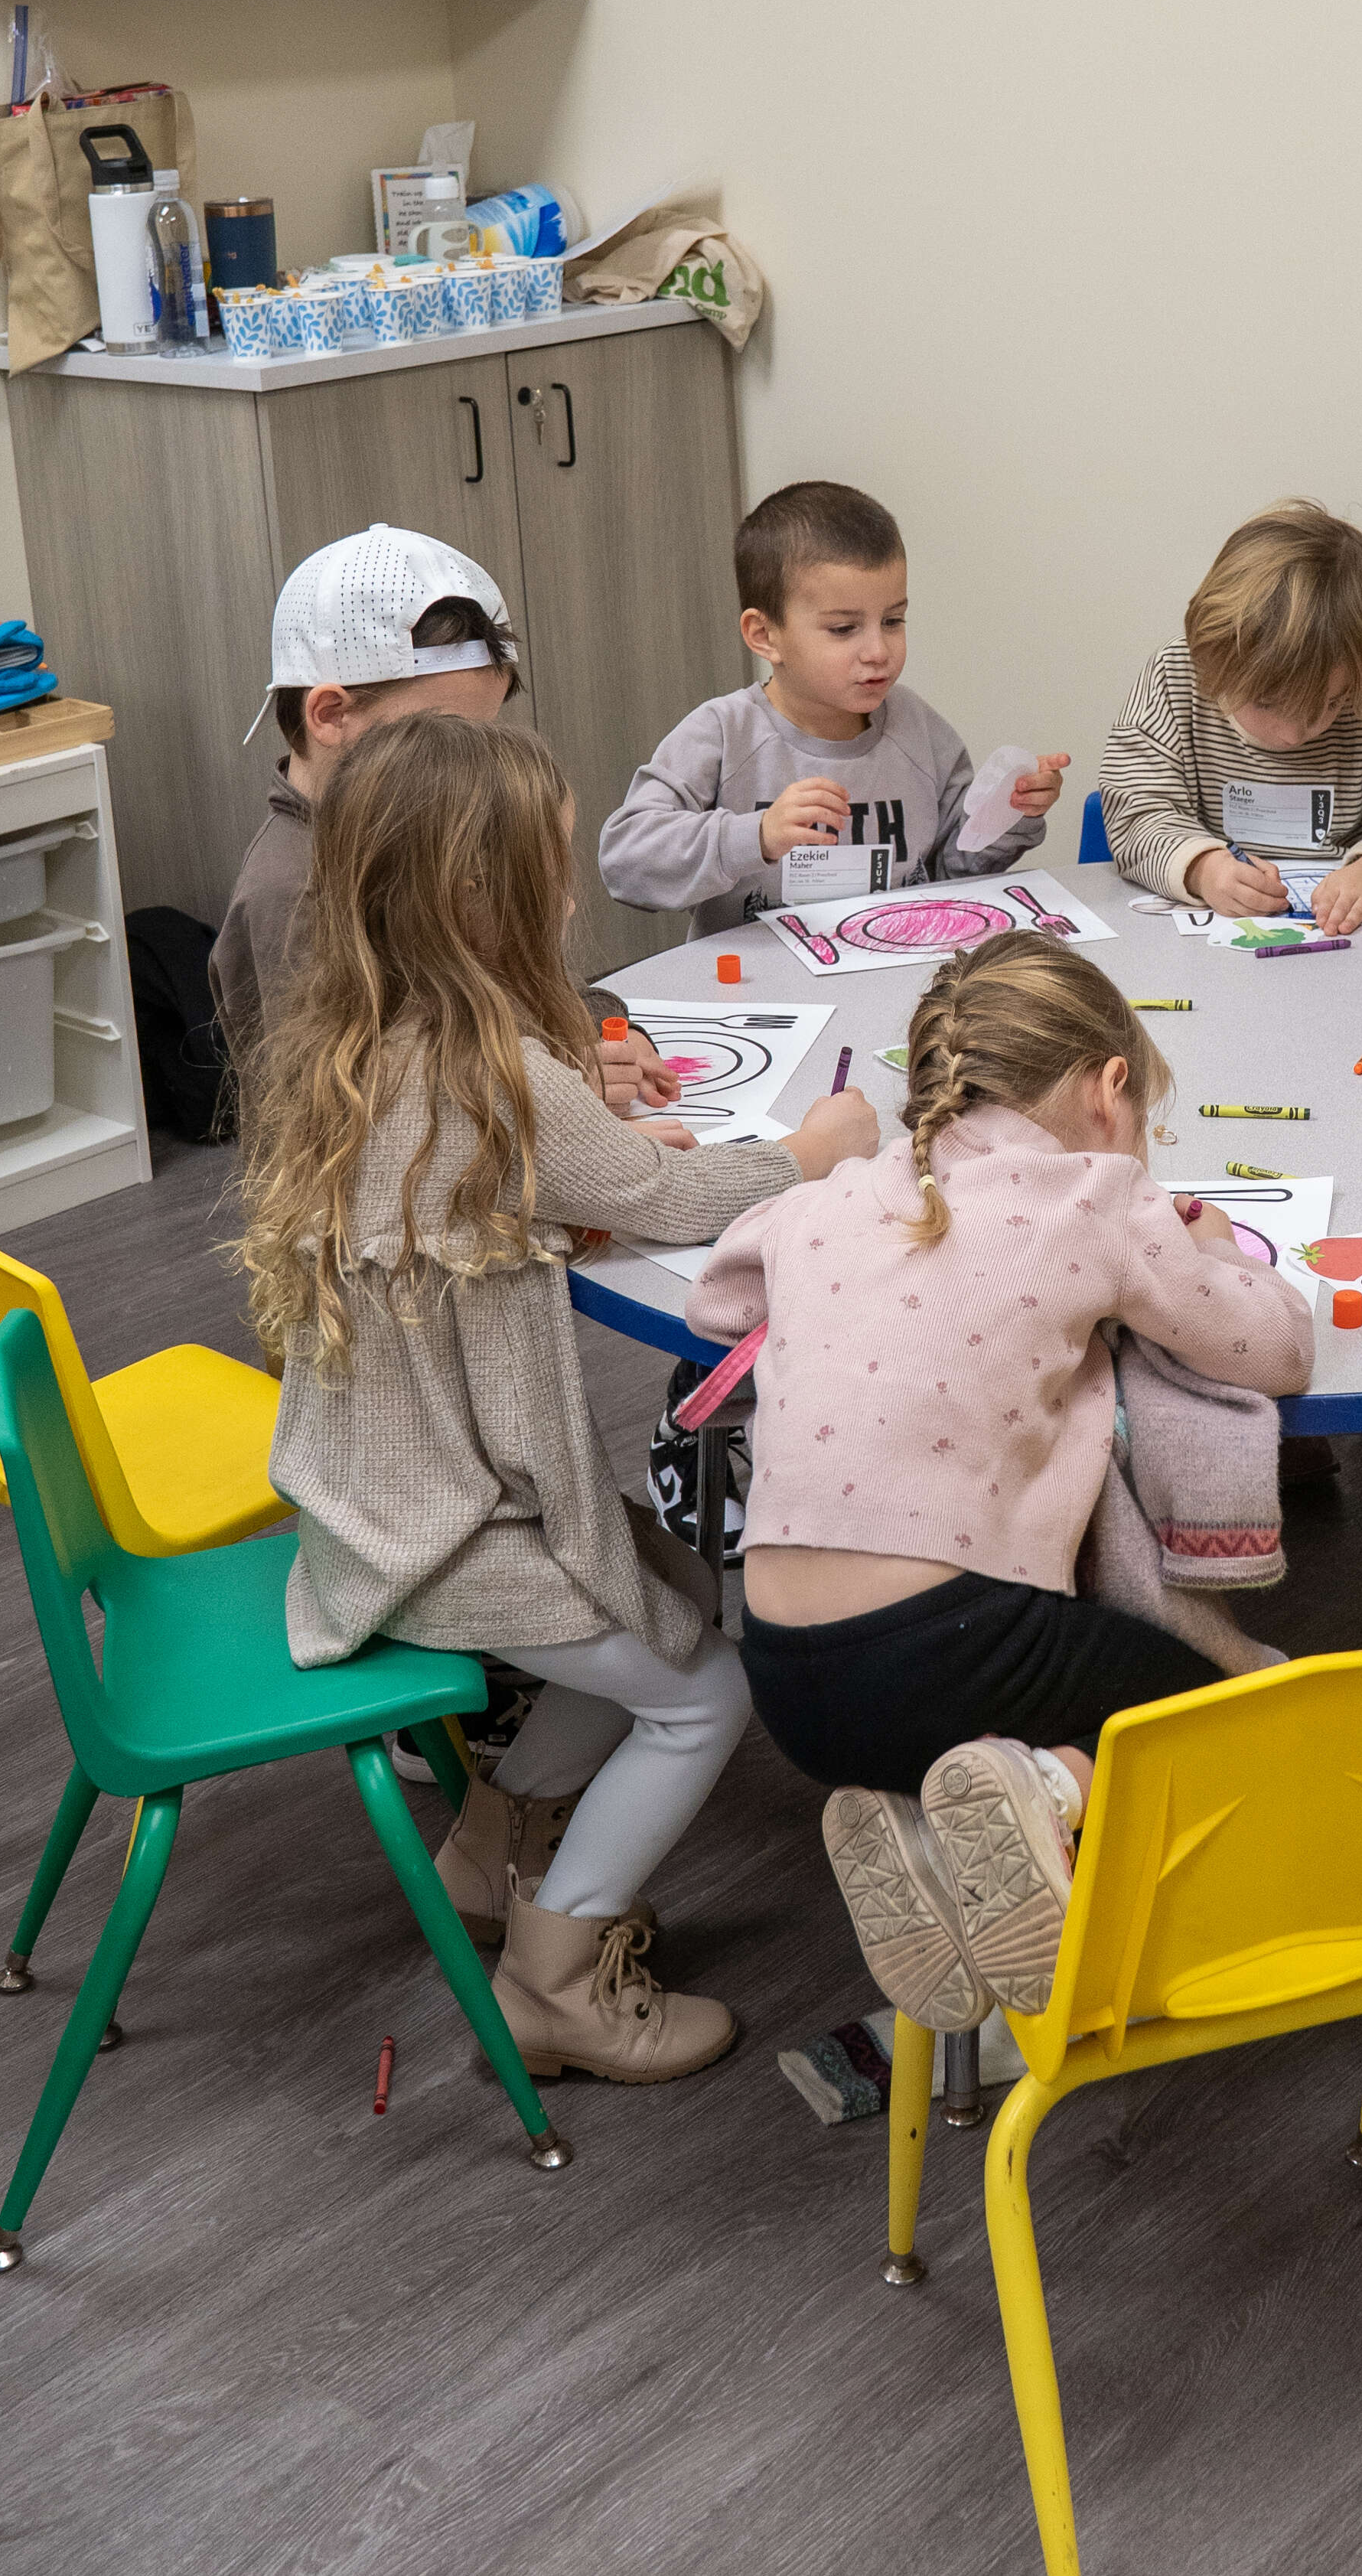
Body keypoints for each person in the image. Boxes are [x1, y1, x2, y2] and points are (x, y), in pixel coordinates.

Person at [235, 709, 877, 2083]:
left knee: (675, 1583)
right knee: (707, 1690)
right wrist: (812, 1152)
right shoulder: (503, 1079)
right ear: (477, 898)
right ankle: (555, 1977)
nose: (571, 900)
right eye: (550, 874)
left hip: (371, 1504)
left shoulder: (364, 1039)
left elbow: (526, 1185)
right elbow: (666, 1193)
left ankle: (494, 1846)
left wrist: (580, 1165)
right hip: (449, 1535)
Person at [683, 941, 1315, 2025]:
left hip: (783, 1677)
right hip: (950, 1649)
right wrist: (1217, 1250)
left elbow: (719, 1307)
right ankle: (1046, 1789)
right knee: (1225, 1722)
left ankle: (933, 1839)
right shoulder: (1097, 1198)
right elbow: (1276, 1349)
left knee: (1020, 1695)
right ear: (1108, 1088)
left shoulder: (837, 1195)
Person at [598, 478, 1068, 926]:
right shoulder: (722, 733)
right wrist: (756, 835)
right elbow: (626, 863)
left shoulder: (919, 730)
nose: (878, 651)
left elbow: (952, 876)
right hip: (759, 978)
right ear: (764, 635)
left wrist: (1006, 815)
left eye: (893, 621)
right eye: (844, 629)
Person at [210, 522, 526, 1075]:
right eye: (444, 737)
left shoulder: (434, 816)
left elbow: (526, 973)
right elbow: (336, 1108)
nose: (473, 768)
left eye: (484, 736)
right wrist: (541, 1078)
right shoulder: (291, 894)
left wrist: (602, 1024)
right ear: (331, 715)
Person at [1096, 499, 1362, 927]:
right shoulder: (1177, 677)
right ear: (1215, 661)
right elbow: (1135, 810)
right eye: (1266, 703)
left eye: (1332, 703)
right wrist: (1202, 869)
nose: (1295, 734)